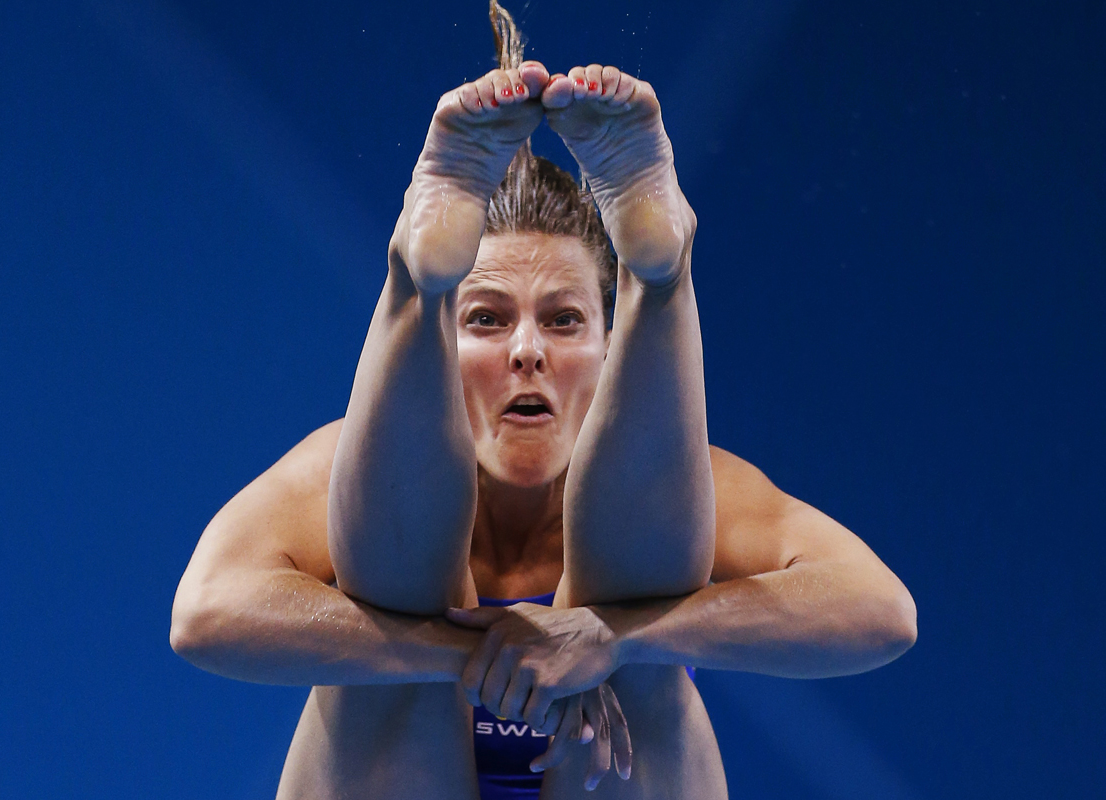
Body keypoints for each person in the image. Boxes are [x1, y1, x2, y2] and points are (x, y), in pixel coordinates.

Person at [169, 4, 916, 798]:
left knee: (639, 653)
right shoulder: (340, 473)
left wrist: (613, 639)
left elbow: (881, 613)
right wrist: (473, 654)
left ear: (610, 352)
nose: (527, 350)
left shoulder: (696, 489)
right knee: (385, 624)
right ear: (445, 351)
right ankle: (416, 279)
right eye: (486, 320)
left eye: (563, 321)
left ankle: (659, 278)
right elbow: (206, 614)